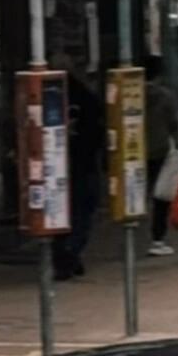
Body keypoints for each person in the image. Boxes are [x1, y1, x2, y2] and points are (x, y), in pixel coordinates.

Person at [57, 62, 106, 281]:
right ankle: (72, 252)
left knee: (62, 215)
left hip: (60, 169)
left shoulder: (51, 100)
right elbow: (99, 133)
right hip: (83, 166)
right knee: (82, 213)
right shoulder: (89, 101)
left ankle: (67, 255)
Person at [145, 56, 178, 255]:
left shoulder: (131, 95)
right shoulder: (165, 96)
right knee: (161, 195)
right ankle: (157, 238)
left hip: (137, 151)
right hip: (160, 148)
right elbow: (174, 123)